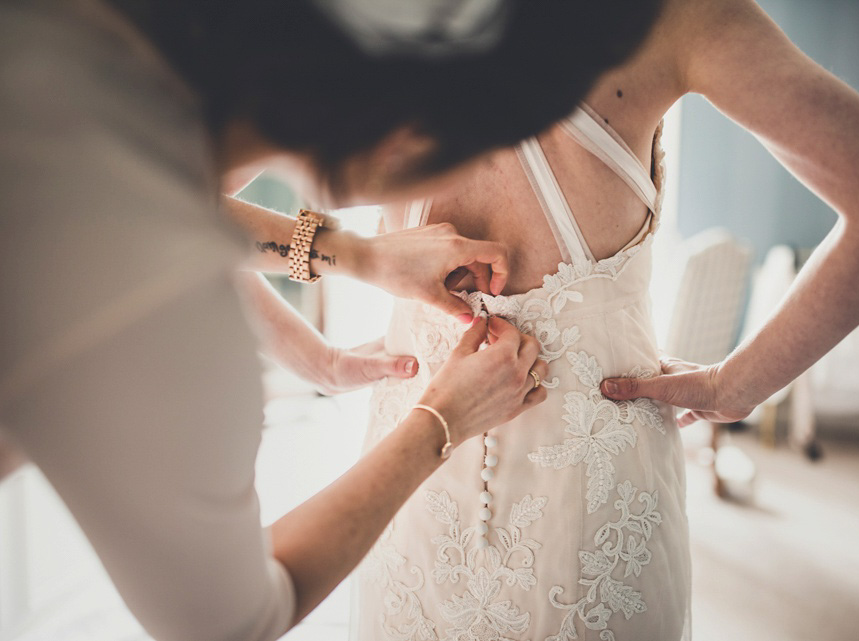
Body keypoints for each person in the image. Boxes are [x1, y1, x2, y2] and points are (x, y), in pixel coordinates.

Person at [0, 1, 663, 640]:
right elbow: (229, 620)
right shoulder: (167, 319)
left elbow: (153, 200)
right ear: (409, 135)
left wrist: (358, 258)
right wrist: (442, 420)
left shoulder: (78, 40)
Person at [336, 0, 859, 638]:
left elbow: (221, 200)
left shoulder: (374, 19)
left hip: (412, 488)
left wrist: (318, 320)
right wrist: (735, 387)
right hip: (574, 511)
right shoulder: (678, 18)